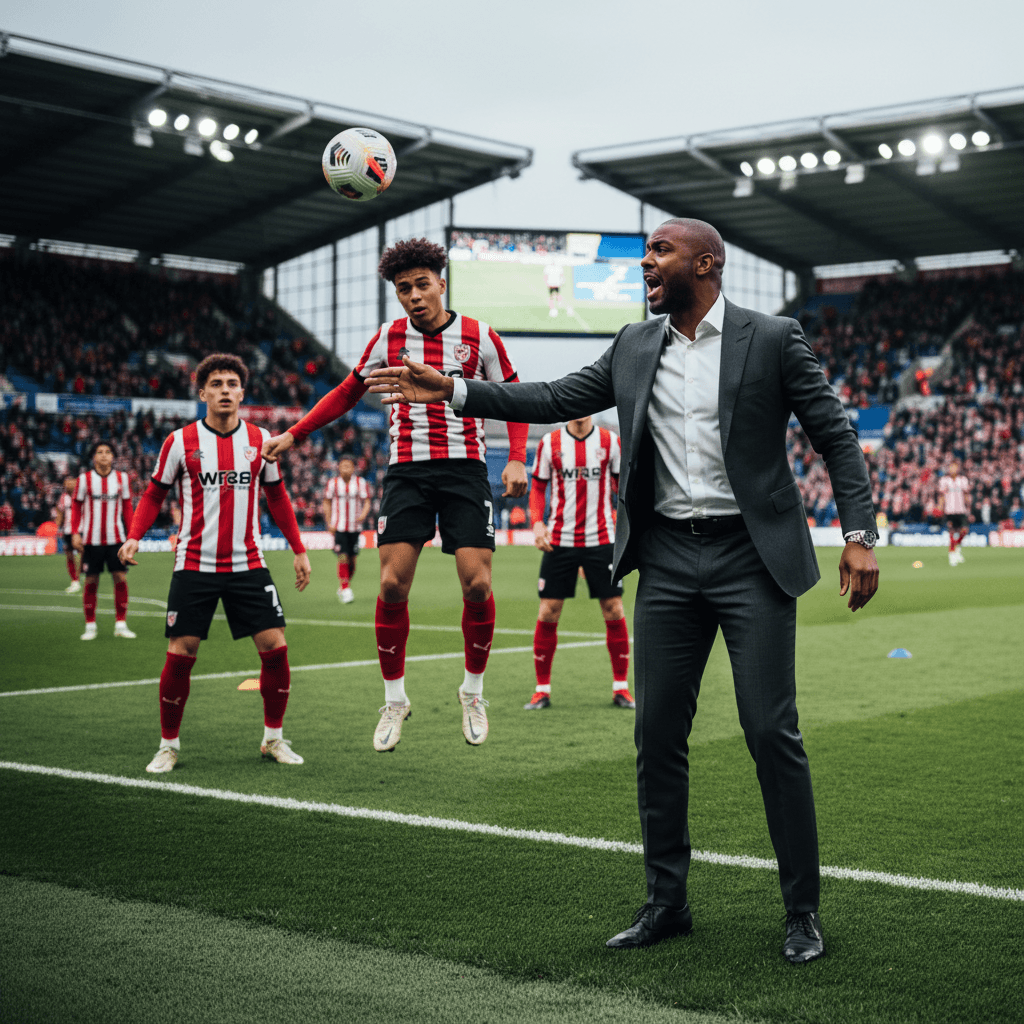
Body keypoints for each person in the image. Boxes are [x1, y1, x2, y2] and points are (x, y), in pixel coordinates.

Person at [368, 218, 879, 964]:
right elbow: (550, 396)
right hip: (666, 560)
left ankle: (802, 911)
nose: (647, 261)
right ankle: (666, 903)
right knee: (656, 736)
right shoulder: (635, 344)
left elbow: (835, 432)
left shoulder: (771, 338)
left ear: (705, 263)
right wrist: (450, 388)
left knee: (772, 733)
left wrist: (859, 536)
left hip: (751, 559)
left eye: (660, 251)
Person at [263, 237, 529, 752]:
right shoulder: (388, 338)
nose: (413, 295)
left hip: (465, 469)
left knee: (476, 585)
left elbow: (514, 398)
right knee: (390, 586)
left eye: (421, 284)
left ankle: (472, 692)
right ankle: (394, 699)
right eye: (403, 288)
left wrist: (516, 455)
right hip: (406, 472)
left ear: (441, 284)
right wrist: (294, 433)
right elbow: (347, 391)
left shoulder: (480, 338)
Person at [118, 353, 312, 774]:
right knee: (181, 652)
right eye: (217, 384)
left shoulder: (261, 440)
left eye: (232, 384)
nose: (225, 390)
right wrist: (134, 535)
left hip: (248, 564)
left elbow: (277, 497)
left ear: (242, 393)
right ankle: (168, 746)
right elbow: (154, 494)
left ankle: (273, 739)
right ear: (202, 392)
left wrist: (298, 549)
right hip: (194, 565)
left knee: (275, 648)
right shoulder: (180, 442)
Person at [524, 416, 634, 711]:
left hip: (601, 538)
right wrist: (536, 524)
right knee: (548, 611)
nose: (581, 411)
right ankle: (541, 690)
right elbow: (537, 488)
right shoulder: (550, 443)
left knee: (614, 608)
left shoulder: (610, 442)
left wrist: (625, 524)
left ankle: (621, 688)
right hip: (560, 539)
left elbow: (622, 487)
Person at [72, 441, 135, 640]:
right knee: (91, 581)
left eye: (108, 452)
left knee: (120, 579)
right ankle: (90, 626)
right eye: (100, 452)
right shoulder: (84, 479)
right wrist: (75, 532)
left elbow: (127, 507)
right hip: (91, 540)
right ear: (93, 457)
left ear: (113, 457)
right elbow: (76, 506)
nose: (104, 455)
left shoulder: (122, 478)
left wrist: (132, 535)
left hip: (116, 539)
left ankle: (121, 624)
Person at [322, 451, 371, 603]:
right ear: (338, 467)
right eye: (343, 466)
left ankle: (344, 584)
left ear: (353, 468)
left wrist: (363, 514)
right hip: (339, 526)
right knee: (342, 556)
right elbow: (327, 502)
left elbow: (367, 501)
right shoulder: (333, 483)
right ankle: (345, 588)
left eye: (348, 466)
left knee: (353, 561)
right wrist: (329, 522)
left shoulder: (360, 483)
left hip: (355, 527)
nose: (345, 468)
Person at [937, 460, 970, 566]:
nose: (953, 469)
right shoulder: (944, 480)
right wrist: (940, 507)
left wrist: (969, 507)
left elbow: (966, 495)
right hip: (949, 510)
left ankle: (957, 549)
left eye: (955, 467)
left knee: (964, 531)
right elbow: (941, 496)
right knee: (951, 532)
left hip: (961, 510)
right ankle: (951, 555)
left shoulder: (963, 480)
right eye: (951, 467)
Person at [56, 476, 81, 594]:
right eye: (66, 484)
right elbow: (60, 513)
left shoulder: (83, 496)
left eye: (71, 484)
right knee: (70, 555)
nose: (68, 486)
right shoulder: (63, 498)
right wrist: (56, 526)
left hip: (82, 529)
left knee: (84, 553)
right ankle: (75, 581)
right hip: (68, 530)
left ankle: (83, 573)